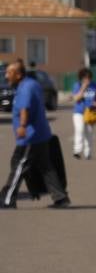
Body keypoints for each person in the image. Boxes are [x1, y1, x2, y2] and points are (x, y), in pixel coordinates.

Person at [3, 60, 70, 208]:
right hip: (40, 134)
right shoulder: (30, 84)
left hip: (30, 136)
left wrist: (22, 126)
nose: (6, 75)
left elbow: (24, 109)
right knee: (46, 167)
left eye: (9, 73)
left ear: (18, 74)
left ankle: (7, 199)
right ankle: (61, 198)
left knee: (18, 165)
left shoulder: (25, 88)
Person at [70, 67, 96, 160]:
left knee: (89, 133)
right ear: (81, 78)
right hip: (79, 112)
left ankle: (88, 152)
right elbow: (76, 98)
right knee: (79, 130)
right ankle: (77, 151)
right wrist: (83, 88)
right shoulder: (77, 85)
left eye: (89, 78)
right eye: (85, 78)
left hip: (90, 112)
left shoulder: (94, 85)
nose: (87, 80)